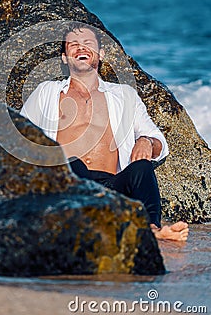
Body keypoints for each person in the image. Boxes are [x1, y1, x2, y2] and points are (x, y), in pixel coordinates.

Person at [20, 24, 189, 241]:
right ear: (64, 57)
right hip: (68, 182)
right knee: (72, 162)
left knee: (142, 169)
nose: (81, 48)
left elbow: (160, 144)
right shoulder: (47, 92)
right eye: (73, 44)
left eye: (88, 43)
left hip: (113, 186)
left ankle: (152, 230)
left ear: (101, 54)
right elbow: (21, 137)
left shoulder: (124, 95)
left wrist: (147, 141)